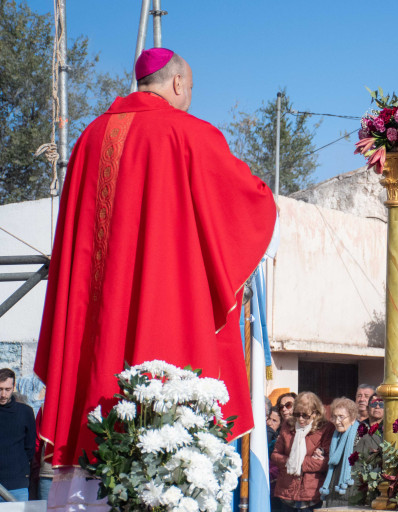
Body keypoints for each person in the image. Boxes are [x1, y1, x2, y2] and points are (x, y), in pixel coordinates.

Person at [33, 48, 277, 472]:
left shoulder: (91, 137)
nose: (189, 97)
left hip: (94, 315)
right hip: (162, 307)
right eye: (191, 88)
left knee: (94, 373)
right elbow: (249, 202)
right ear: (178, 83)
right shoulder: (189, 133)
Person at [271, 392, 334, 512]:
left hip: (312, 494)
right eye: (297, 414)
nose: (300, 419)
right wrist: (291, 461)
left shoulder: (326, 428)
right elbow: (275, 455)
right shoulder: (287, 425)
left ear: (315, 413)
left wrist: (300, 464)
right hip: (287, 491)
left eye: (305, 415)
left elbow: (328, 461)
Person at [0, 368, 36, 502]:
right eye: (0, 389)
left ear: (14, 387)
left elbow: (30, 447)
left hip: (18, 484)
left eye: (7, 389)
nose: (3, 394)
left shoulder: (25, 412)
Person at [320, 398, 360, 506]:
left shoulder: (363, 438)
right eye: (334, 417)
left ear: (353, 418)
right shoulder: (335, 438)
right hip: (333, 496)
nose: (337, 422)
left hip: (352, 498)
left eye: (341, 417)